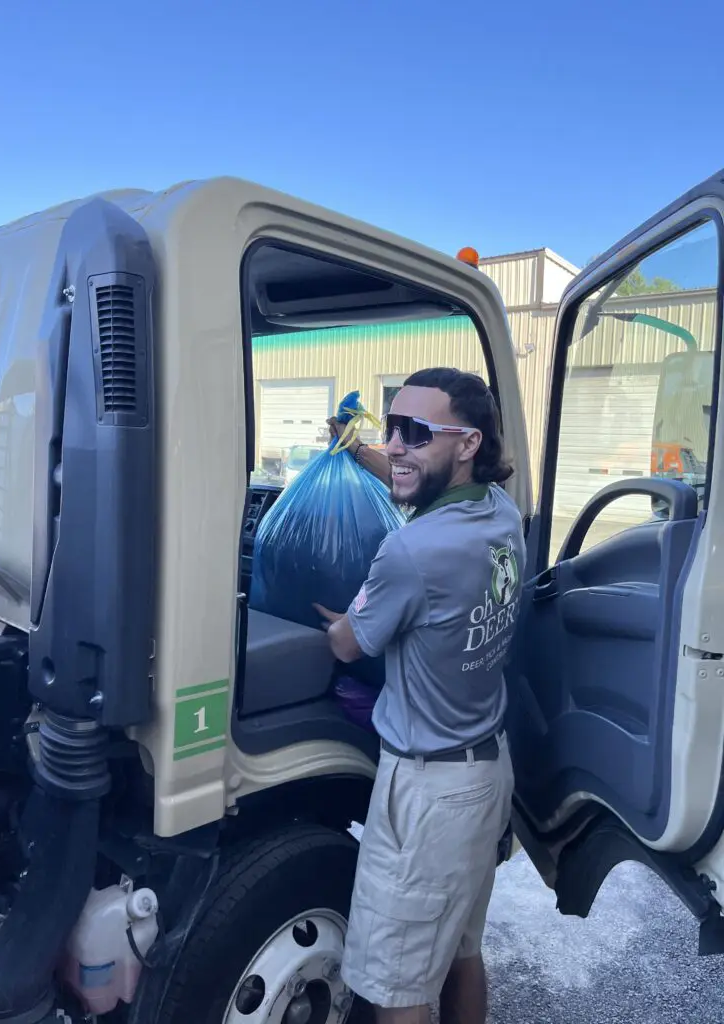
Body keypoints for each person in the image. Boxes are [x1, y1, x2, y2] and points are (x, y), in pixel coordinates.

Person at [314, 368, 524, 1024]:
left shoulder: (408, 553)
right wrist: (358, 452)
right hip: (485, 772)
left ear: (466, 444)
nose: (397, 445)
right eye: (391, 428)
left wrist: (337, 621)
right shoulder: (499, 510)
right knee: (461, 948)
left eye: (416, 433)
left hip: (427, 795)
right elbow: (418, 488)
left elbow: (350, 646)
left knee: (400, 989)